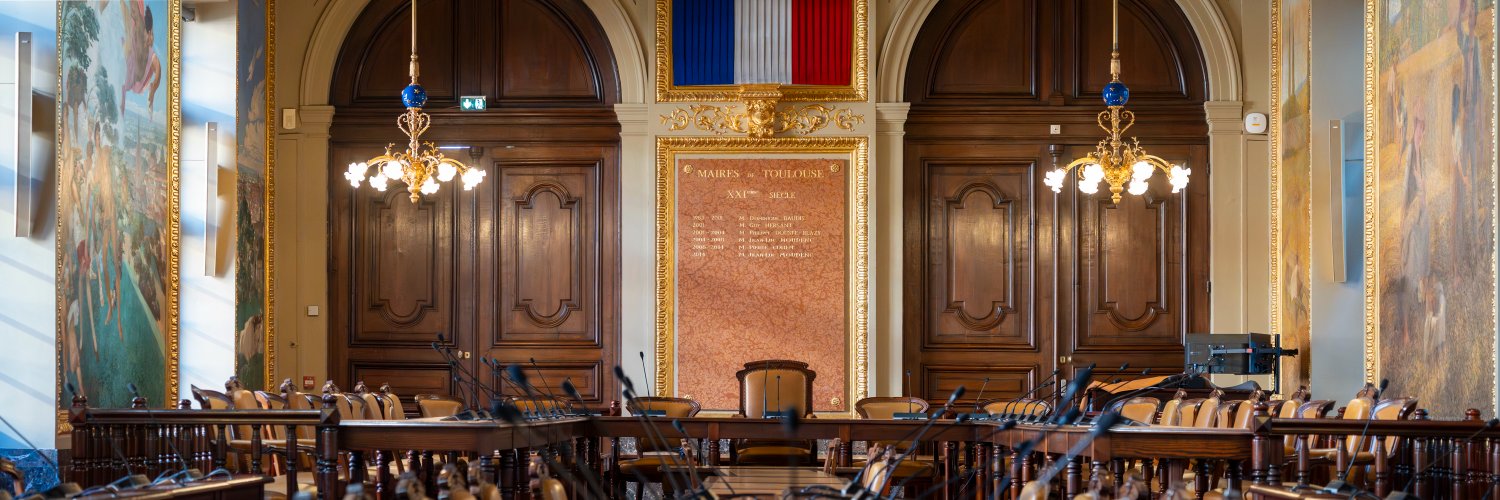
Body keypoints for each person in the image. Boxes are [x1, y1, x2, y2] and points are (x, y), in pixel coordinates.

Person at [119, 0, 162, 114]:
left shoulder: (149, 53)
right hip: (128, 71)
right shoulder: (134, 28)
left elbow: (158, 67)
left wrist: (152, 90)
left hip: (132, 76)